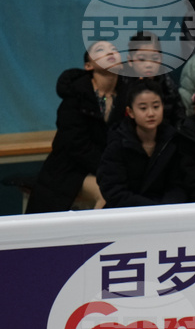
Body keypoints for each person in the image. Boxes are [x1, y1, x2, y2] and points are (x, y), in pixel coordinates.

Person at [26, 41, 126, 213]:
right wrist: (110, 169)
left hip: (109, 166)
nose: (110, 52)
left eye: (114, 49)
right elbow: (76, 145)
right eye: (100, 50)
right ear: (88, 66)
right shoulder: (76, 97)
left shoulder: (128, 95)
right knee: (108, 192)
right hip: (71, 168)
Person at [98, 78, 186, 207]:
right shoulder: (118, 142)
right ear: (130, 112)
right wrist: (150, 209)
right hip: (128, 212)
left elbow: (179, 185)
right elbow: (114, 190)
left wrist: (165, 209)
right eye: (143, 108)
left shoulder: (173, 140)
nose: (151, 113)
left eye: (156, 106)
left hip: (167, 211)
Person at [127, 31, 185, 127]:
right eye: (141, 59)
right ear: (130, 60)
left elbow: (179, 117)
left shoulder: (168, 84)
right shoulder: (123, 84)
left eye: (154, 58)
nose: (149, 65)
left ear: (161, 58)